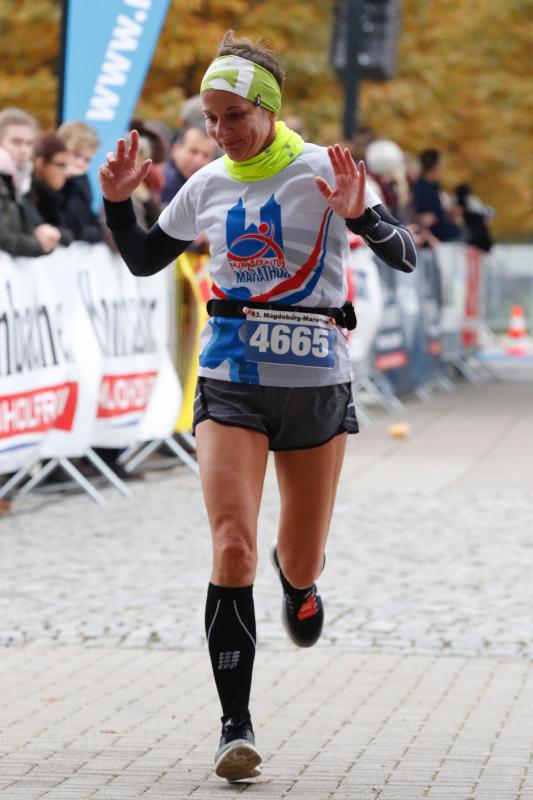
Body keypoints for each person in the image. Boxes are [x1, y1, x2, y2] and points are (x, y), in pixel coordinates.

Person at [99, 30, 416, 783]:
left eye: (234, 115)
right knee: (232, 545)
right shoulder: (207, 183)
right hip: (231, 380)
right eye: (211, 118)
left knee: (297, 558)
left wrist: (362, 217)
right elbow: (144, 259)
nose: (220, 131)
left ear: (269, 109)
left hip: (315, 387)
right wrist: (115, 205)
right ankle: (234, 726)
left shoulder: (325, 169)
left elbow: (404, 254)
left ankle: (299, 583)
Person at [0, 107, 60, 257]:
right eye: (16, 142)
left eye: (29, 144)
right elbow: (4, 237)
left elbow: (27, 223)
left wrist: (41, 231)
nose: (24, 150)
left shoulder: (22, 181)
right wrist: (39, 246)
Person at [56, 120, 103, 243]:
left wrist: (80, 180)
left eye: (87, 160)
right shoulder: (42, 180)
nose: (80, 163)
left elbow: (96, 229)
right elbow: (70, 226)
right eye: (76, 155)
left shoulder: (79, 181)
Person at [31, 133, 75, 246]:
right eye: (61, 165)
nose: (67, 173)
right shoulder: (27, 194)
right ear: (40, 163)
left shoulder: (54, 194)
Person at [413, 148, 463, 242]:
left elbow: (435, 213)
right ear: (434, 167)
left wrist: (448, 213)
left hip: (441, 234)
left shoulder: (432, 187)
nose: (441, 170)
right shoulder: (420, 188)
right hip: (435, 239)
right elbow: (427, 217)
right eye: (440, 166)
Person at [160, 125, 217, 205]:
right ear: (175, 149)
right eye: (193, 151)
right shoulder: (162, 181)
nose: (199, 161)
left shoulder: (207, 187)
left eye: (206, 155)